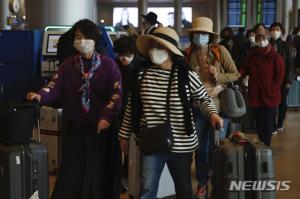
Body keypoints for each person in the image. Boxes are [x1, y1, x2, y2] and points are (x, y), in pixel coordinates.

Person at [119, 26, 223, 199]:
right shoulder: (142, 75)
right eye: (152, 46)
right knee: (147, 189)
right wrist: (124, 135)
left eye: (159, 47)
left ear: (170, 50)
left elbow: (203, 99)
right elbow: (131, 107)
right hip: (151, 142)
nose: (154, 51)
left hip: (181, 144)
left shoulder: (186, 75)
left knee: (183, 189)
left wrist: (213, 113)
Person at [26, 19, 122, 199]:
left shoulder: (109, 65)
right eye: (78, 37)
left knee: (96, 171)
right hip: (74, 126)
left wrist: (107, 117)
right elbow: (54, 86)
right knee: (73, 171)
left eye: (85, 37)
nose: (81, 41)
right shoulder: (68, 65)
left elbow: (116, 94)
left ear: (94, 40)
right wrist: (40, 95)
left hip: (100, 129)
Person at [185, 17, 240, 199]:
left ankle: (217, 182)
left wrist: (220, 77)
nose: (200, 36)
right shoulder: (188, 53)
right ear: (193, 35)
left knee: (216, 148)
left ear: (210, 37)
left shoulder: (219, 51)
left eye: (204, 34)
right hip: (197, 108)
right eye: (197, 33)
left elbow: (235, 73)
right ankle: (202, 184)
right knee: (200, 149)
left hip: (218, 108)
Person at [240, 28, 285, 146]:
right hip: (256, 95)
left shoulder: (275, 57)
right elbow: (244, 69)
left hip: (270, 97)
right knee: (259, 125)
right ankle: (262, 147)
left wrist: (272, 87)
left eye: (263, 38)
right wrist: (237, 76)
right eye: (258, 38)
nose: (261, 40)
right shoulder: (251, 55)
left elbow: (279, 75)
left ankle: (266, 148)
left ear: (268, 38)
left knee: (267, 125)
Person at [113, 36, 144, 192]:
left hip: (135, 112)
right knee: (118, 146)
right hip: (117, 110)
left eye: (127, 55)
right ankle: (118, 179)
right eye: (120, 54)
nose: (124, 58)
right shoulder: (114, 65)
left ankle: (127, 177)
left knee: (131, 147)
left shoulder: (141, 65)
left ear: (134, 53)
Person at [269, 22, 296, 134]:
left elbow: (290, 65)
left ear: (281, 31)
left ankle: (280, 123)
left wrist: (289, 80)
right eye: (273, 29)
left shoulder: (287, 46)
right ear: (270, 31)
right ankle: (272, 125)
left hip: (284, 79)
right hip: (270, 80)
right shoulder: (267, 45)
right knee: (271, 103)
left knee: (282, 103)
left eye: (278, 29)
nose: (275, 31)